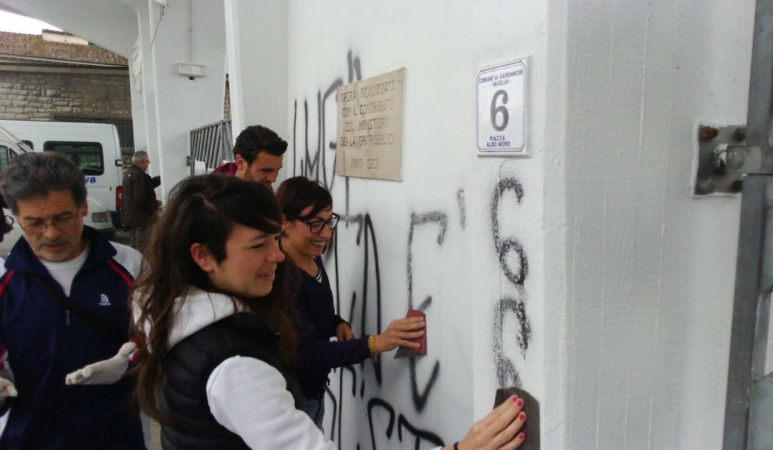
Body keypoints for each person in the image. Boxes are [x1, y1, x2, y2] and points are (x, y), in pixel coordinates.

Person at [131, 174, 527, 450]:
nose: (276, 255)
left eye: (274, 240)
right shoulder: (234, 365)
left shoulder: (185, 317)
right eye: (257, 245)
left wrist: (337, 323)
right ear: (202, 255)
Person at [0, 152, 145, 449]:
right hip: (27, 439)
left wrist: (131, 362)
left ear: (83, 207)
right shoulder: (3, 279)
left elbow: (161, 339)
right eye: (34, 223)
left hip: (119, 436)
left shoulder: (131, 265)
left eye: (63, 218)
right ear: (15, 219)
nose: (51, 233)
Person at [276, 176, 426, 428]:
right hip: (294, 399)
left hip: (312, 392)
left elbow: (309, 313)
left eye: (329, 222)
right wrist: (376, 343)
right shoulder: (281, 278)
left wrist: (336, 323)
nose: (326, 234)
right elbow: (307, 353)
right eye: (315, 224)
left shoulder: (309, 254)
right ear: (285, 223)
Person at [213, 125, 287, 190]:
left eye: (277, 170)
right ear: (240, 162)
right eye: (266, 170)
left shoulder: (261, 186)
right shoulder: (216, 197)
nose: (273, 179)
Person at [122, 150, 161, 250]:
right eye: (148, 162)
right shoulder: (139, 175)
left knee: (134, 247)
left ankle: (135, 260)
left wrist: (162, 178)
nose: (148, 164)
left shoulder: (129, 173)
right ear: (143, 161)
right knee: (142, 248)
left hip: (132, 218)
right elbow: (142, 197)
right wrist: (155, 206)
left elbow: (146, 186)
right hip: (141, 219)